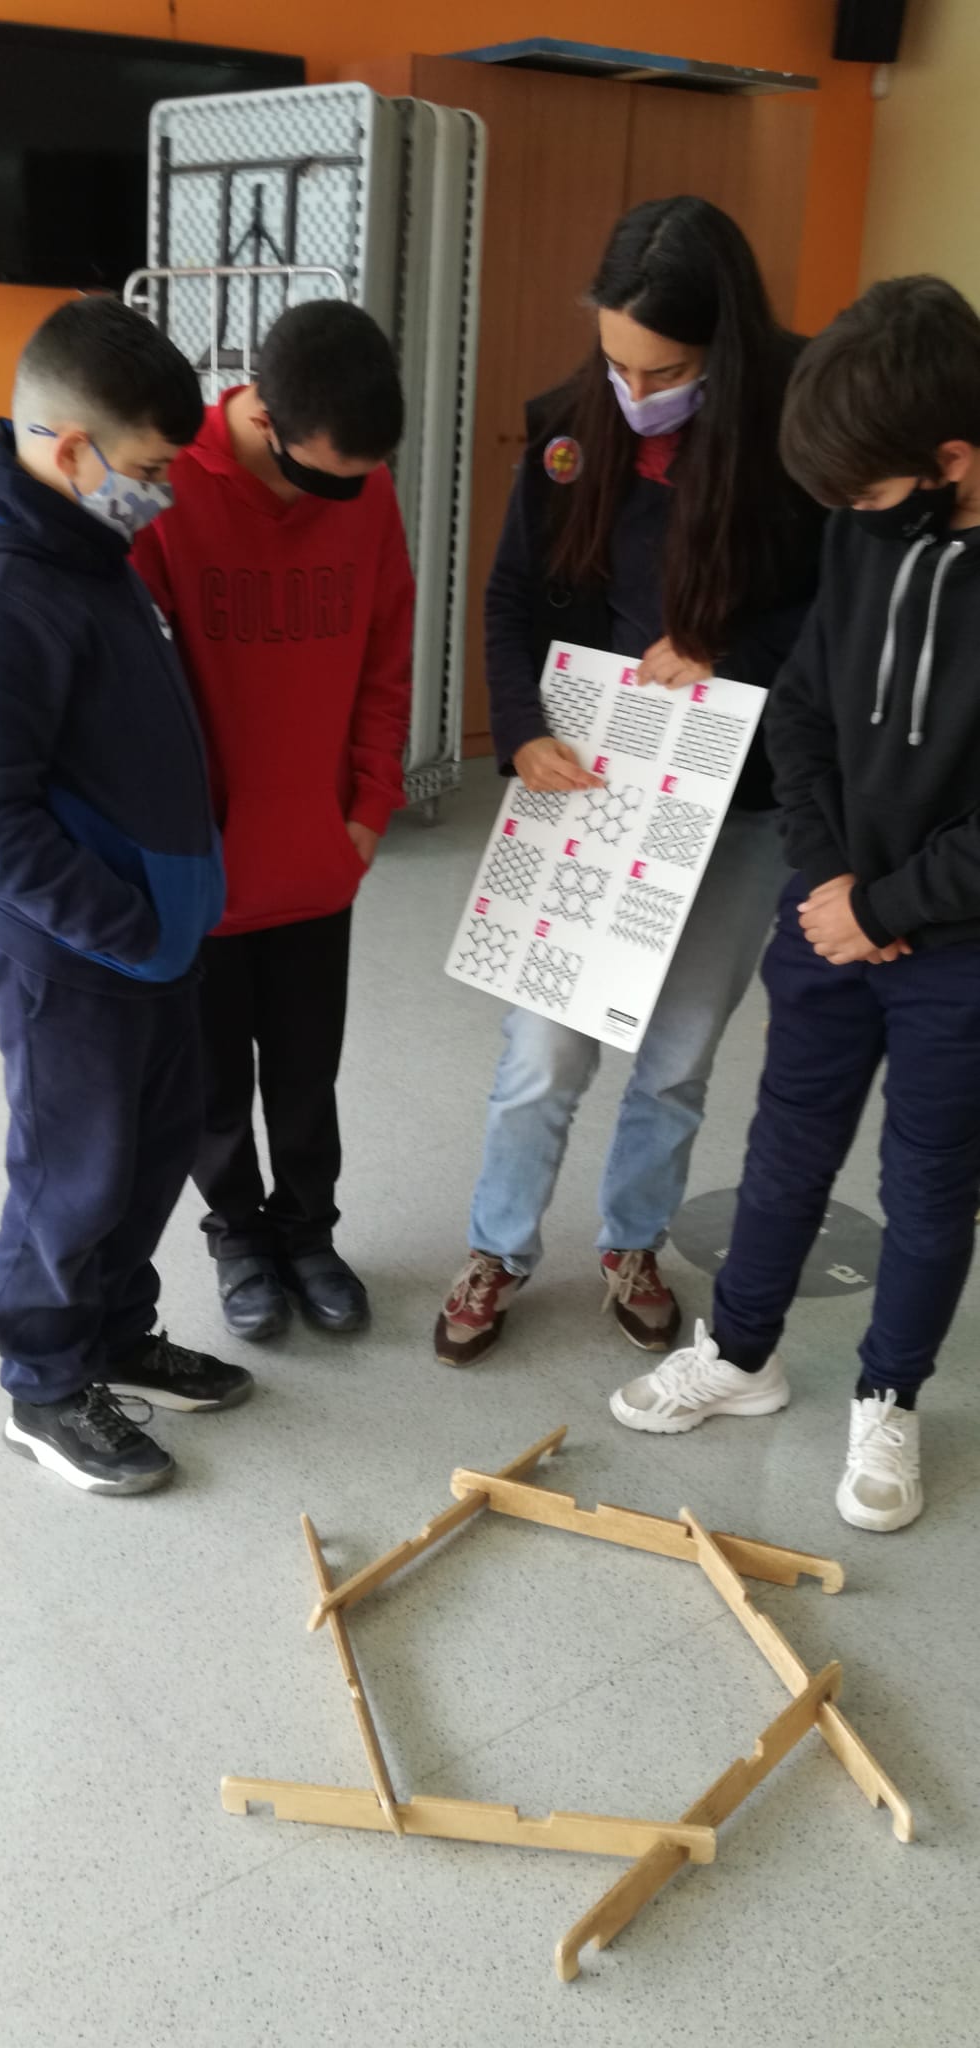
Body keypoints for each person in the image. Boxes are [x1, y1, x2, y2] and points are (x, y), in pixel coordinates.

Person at [610, 275, 980, 1533]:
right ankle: (739, 1352)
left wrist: (888, 905)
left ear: (948, 461)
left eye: (868, 494)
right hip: (829, 911)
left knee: (927, 1185)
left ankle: (888, 1395)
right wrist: (828, 881)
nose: (852, 517)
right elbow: (806, 709)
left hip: (955, 947)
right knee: (784, 1148)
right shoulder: (858, 534)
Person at [435, 196, 825, 1369]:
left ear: (724, 349)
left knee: (680, 1052)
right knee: (544, 1049)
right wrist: (519, 731)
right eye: (616, 362)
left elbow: (830, 609)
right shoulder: (572, 426)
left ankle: (632, 1240)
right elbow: (511, 594)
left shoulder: (795, 423)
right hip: (594, 774)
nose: (635, 389)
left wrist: (726, 650)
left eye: (666, 371)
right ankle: (498, 1246)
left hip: (739, 790)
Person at [0, 298, 254, 1498]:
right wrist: (128, 926)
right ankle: (46, 1385)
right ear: (67, 448)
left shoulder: (94, 557)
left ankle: (113, 1335)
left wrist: (172, 919)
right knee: (75, 1170)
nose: (162, 492)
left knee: (151, 1154)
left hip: (153, 945)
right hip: (75, 956)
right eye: (147, 471)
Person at [132, 300, 413, 1345]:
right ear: (261, 414)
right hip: (202, 866)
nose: (343, 495)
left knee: (305, 1072)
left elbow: (387, 653)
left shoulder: (364, 485)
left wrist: (369, 806)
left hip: (317, 853)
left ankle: (308, 1231)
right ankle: (239, 1237)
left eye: (361, 477)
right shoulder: (168, 488)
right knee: (213, 1081)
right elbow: (130, 692)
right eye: (323, 476)